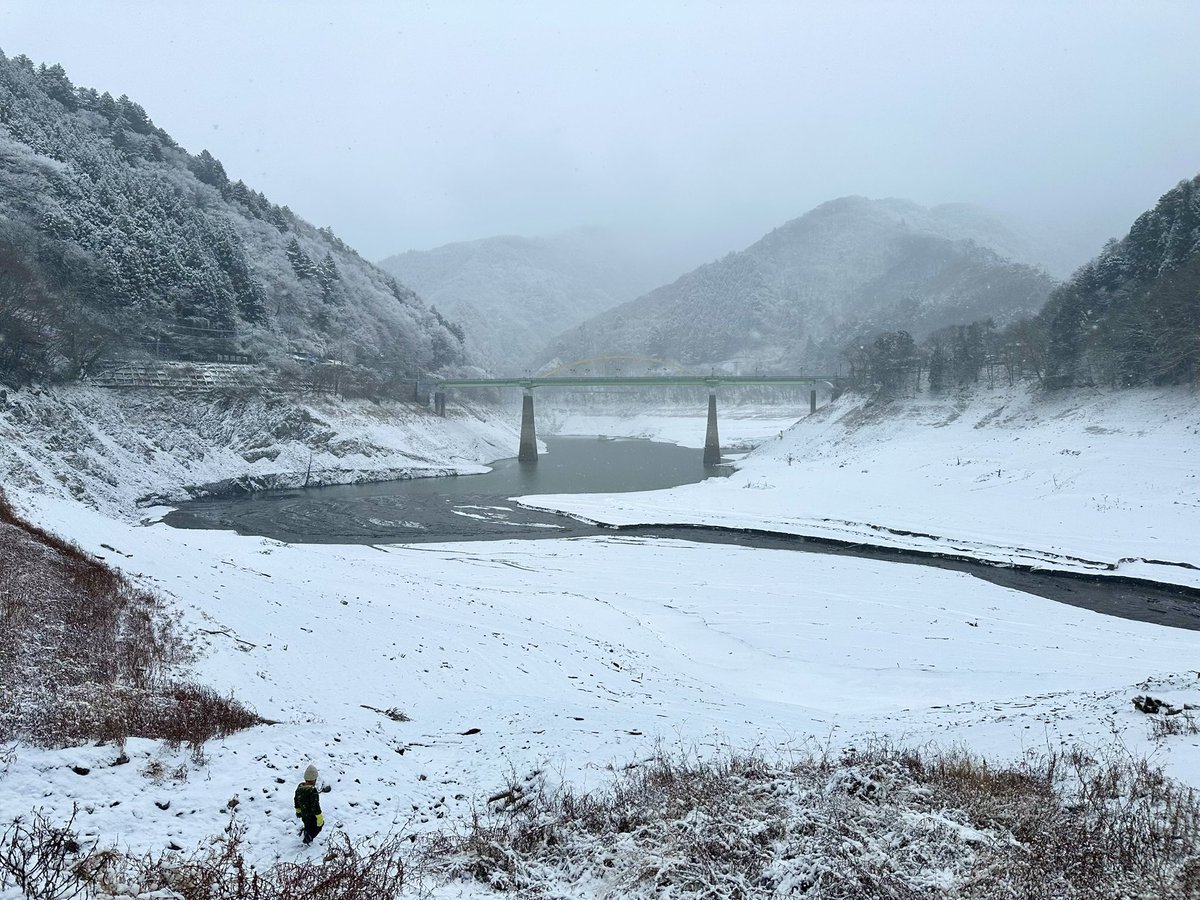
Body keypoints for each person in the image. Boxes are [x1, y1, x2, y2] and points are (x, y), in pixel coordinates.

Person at [294, 763, 324, 844]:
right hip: (312, 815)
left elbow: (296, 799)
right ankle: (308, 839)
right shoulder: (312, 791)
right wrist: (319, 817)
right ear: (314, 779)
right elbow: (315, 805)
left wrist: (298, 810)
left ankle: (306, 834)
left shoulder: (300, 787)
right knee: (317, 827)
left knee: (307, 826)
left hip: (304, 814)